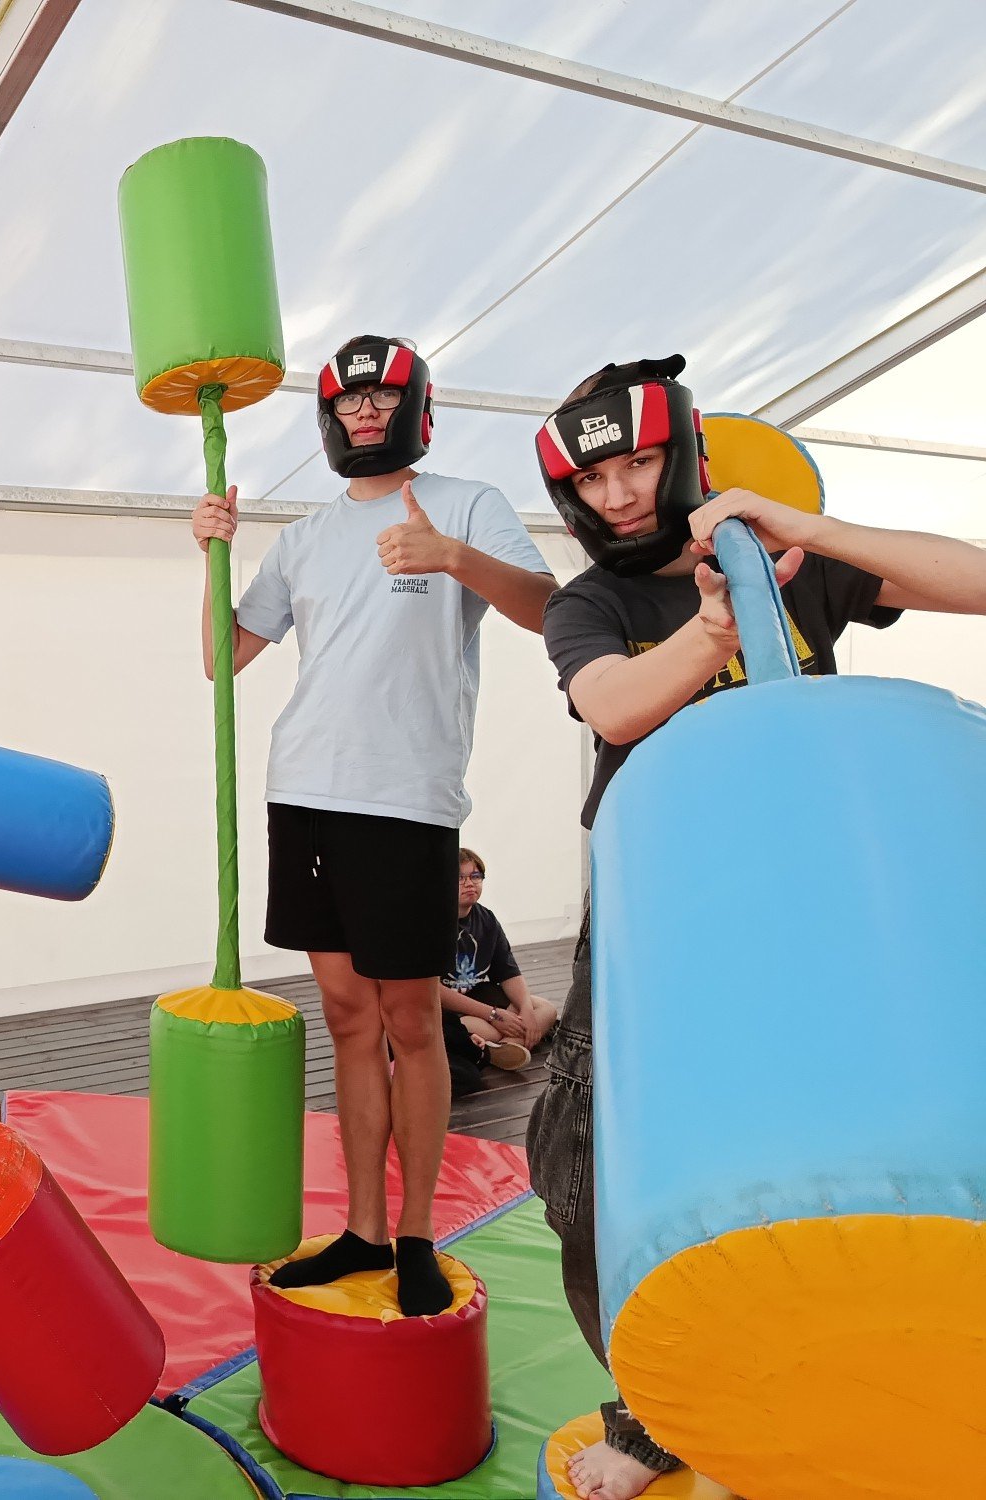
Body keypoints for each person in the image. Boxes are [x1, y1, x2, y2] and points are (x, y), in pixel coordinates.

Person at [527, 353, 986, 1500]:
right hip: (657, 914)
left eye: (636, 464)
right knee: (580, 1153)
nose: (616, 495)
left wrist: (801, 531)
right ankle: (650, 1416)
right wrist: (712, 628)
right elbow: (611, 705)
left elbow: (976, 581)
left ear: (680, 452)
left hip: (808, 891)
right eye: (590, 483)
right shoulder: (592, 605)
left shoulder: (790, 565)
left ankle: (858, 1361)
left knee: (835, 1122)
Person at [192, 333, 558, 1316]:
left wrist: (450, 556)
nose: (362, 411)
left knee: (410, 1022)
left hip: (405, 799)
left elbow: (545, 610)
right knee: (349, 1020)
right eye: (346, 401)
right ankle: (361, 1230)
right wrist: (212, 554)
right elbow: (222, 658)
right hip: (305, 789)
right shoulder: (304, 537)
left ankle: (416, 1236)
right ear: (328, 417)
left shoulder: (465, 504)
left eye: (380, 397)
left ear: (414, 407)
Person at [438, 846, 558, 1094]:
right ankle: (504, 1043)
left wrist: (525, 1011)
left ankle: (504, 1047)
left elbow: (508, 973)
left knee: (545, 1009)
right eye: (460, 877)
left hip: (479, 995)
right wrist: (493, 1015)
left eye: (475, 876)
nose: (469, 883)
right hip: (448, 1011)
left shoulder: (487, 919)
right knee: (478, 1027)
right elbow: (434, 991)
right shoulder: (432, 924)